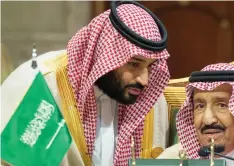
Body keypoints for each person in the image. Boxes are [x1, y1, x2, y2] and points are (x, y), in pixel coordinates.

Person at [1, 2, 170, 166]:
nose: (144, 80)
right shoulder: (44, 86)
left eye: (150, 66)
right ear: (105, 54)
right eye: (134, 64)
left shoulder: (149, 98)